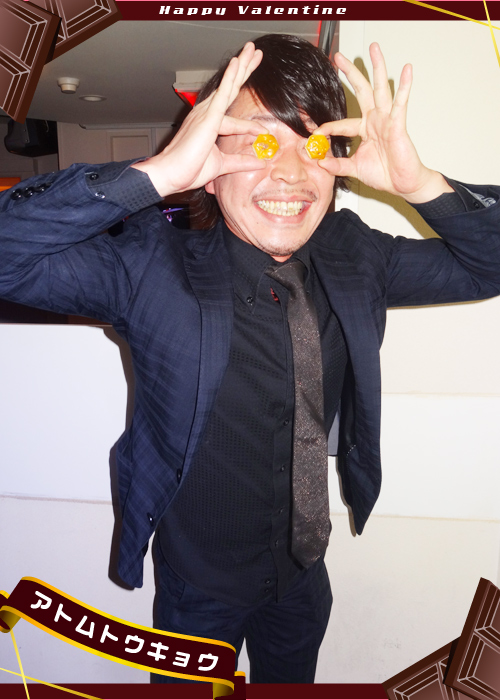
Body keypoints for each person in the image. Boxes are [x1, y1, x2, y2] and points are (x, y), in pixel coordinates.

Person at [1, 34, 499, 683]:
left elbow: (487, 265)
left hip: (302, 579)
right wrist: (154, 175)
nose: (291, 173)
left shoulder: (356, 256)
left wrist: (422, 185)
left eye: (313, 146)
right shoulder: (152, 266)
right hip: (196, 589)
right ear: (210, 161)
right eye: (261, 142)